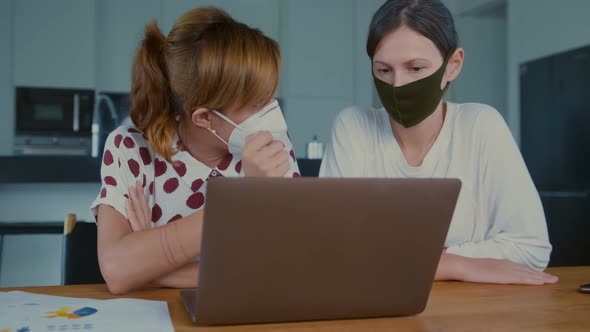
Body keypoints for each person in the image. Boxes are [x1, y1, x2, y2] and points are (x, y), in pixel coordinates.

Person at [320, 0, 557, 285]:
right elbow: (334, 252)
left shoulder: (481, 124)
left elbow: (531, 249)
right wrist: (457, 265)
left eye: (416, 68)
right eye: (384, 70)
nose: (397, 85)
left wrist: (413, 261)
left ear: (452, 66)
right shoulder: (353, 126)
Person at [91, 7, 300, 295]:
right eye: (256, 103)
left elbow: (288, 267)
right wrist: (245, 201)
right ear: (204, 118)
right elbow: (117, 270)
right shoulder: (129, 148)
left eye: (269, 96)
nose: (271, 112)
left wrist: (154, 264)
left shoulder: (271, 148)